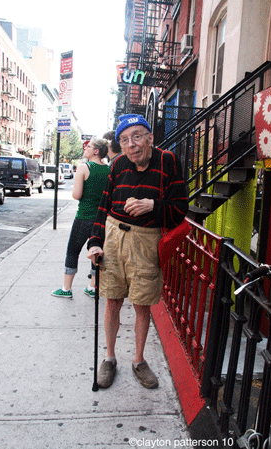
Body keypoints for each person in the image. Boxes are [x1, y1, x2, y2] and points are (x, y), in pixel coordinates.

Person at [87, 114, 188, 389]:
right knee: (112, 301)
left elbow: (180, 209)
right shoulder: (118, 164)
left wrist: (152, 205)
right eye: (124, 140)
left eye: (137, 136)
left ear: (150, 138)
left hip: (145, 241)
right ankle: (109, 358)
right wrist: (95, 241)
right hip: (113, 235)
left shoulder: (168, 161)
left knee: (142, 305)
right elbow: (103, 206)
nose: (131, 145)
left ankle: (139, 360)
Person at [51, 137, 110, 299]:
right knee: (95, 252)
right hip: (101, 220)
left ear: (96, 151)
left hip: (84, 216)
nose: (85, 148)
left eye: (89, 146)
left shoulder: (84, 167)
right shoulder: (108, 170)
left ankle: (66, 288)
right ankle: (93, 287)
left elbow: (76, 195)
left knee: (72, 251)